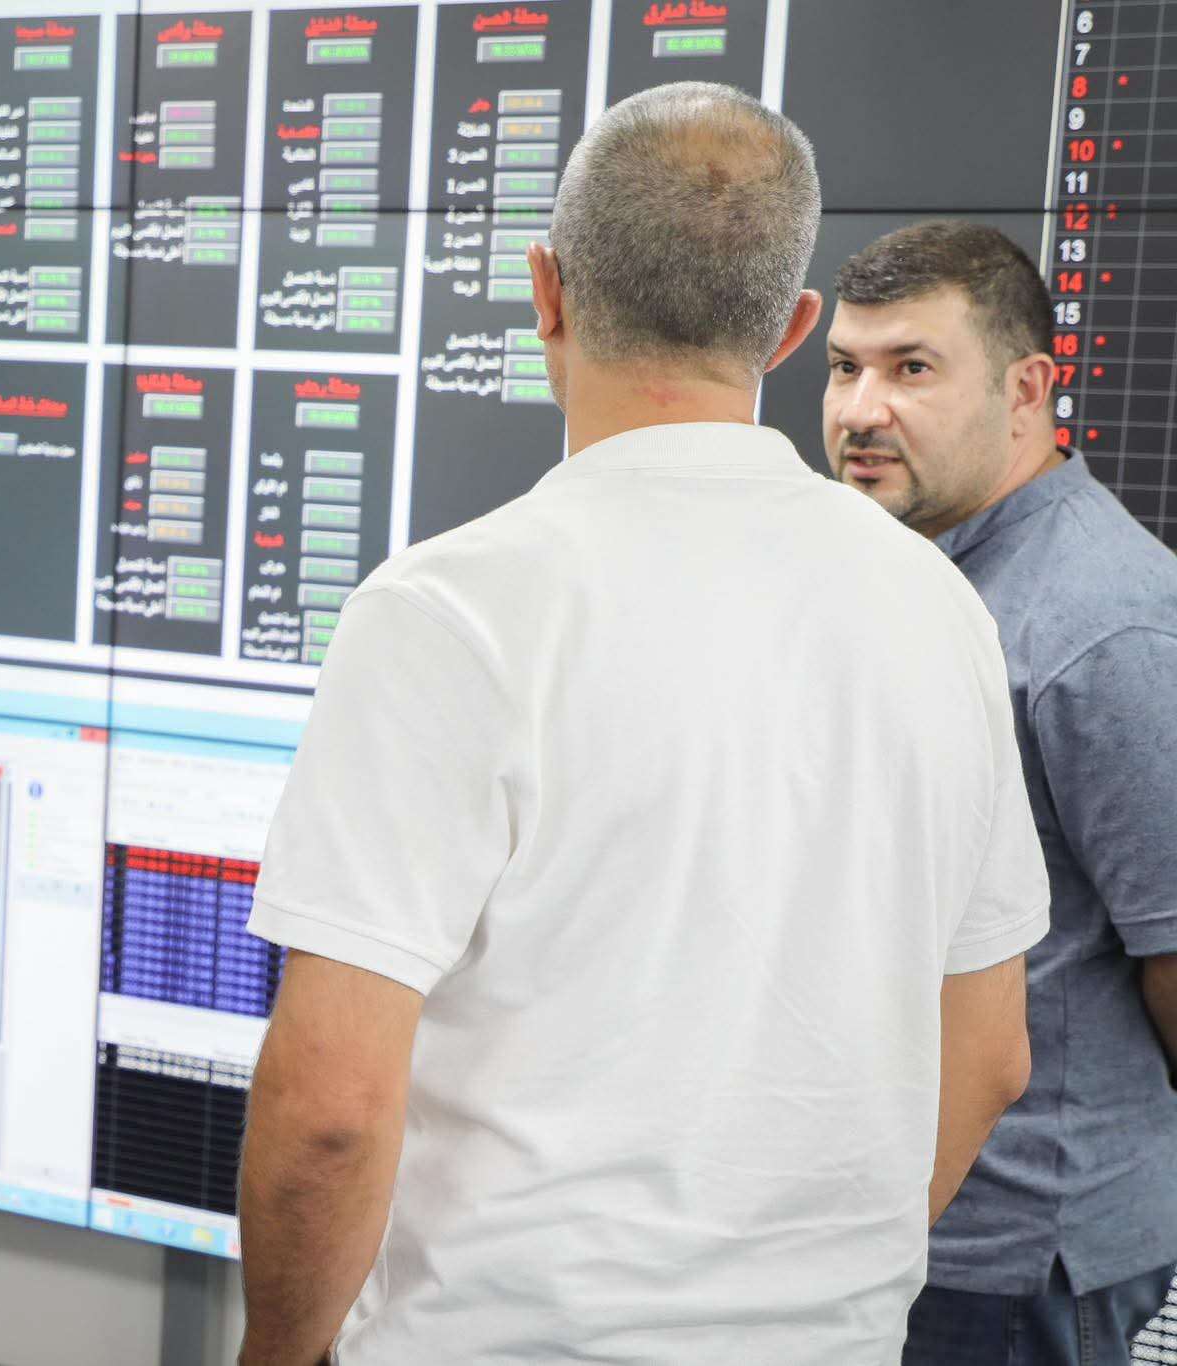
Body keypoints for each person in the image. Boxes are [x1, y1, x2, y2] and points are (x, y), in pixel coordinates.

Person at [236, 82, 1047, 1365]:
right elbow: (991, 1053)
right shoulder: (938, 609)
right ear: (789, 331)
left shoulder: (448, 611)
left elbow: (332, 1104)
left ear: (545, 292)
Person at [823, 219, 1177, 1365]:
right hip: (889, 1224)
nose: (860, 409)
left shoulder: (1102, 625)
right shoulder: (913, 568)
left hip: (1011, 1261)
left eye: (910, 368)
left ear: (1026, 389)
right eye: (843, 367)